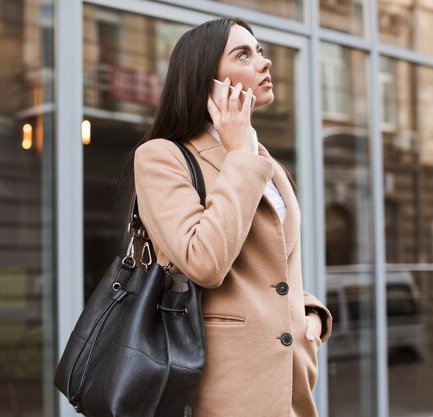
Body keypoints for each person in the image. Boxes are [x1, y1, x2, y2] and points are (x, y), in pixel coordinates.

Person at [129, 17, 332, 417]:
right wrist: (240, 155)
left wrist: (311, 315)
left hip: (291, 388)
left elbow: (272, 266)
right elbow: (203, 262)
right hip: (224, 391)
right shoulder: (161, 156)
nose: (265, 62)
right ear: (206, 79)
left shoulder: (264, 161)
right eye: (244, 54)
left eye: (260, 51)